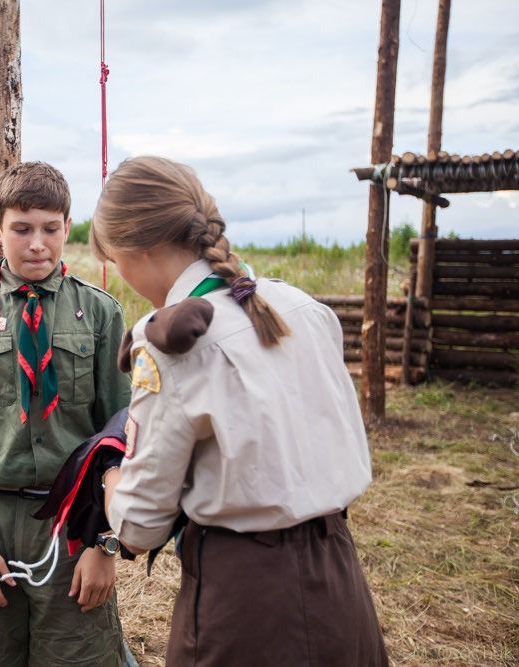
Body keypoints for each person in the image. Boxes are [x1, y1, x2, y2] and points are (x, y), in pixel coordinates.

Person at [94, 156, 389, 666]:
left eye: (114, 260)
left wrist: (111, 478)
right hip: (341, 583)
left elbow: (139, 526)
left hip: (244, 605)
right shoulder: (304, 309)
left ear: (138, 250)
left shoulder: (173, 346)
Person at [0, 161, 133, 666]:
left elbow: (119, 436)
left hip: (73, 524)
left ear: (67, 227)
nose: (38, 243)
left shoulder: (101, 314)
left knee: (77, 655)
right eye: (22, 229)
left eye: (50, 229)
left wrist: (105, 545)